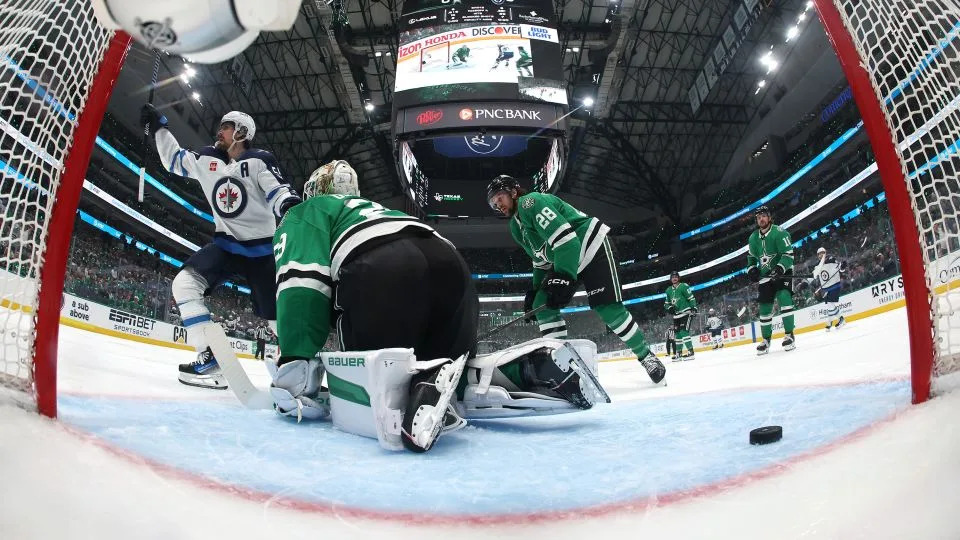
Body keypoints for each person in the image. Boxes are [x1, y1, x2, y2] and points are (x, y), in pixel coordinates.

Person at [270, 160, 479, 452]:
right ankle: (507, 377)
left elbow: (302, 282)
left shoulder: (307, 210)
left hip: (384, 263)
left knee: (379, 391)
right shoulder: (377, 210)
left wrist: (295, 369)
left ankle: (411, 392)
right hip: (452, 264)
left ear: (315, 190)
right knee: (453, 368)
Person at [142, 104, 301, 389]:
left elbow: (277, 189)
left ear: (241, 132)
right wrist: (160, 128)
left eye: (226, 126)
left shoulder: (258, 160)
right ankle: (209, 358)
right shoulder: (206, 158)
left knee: (278, 318)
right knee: (184, 284)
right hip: (226, 245)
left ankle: (297, 370)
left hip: (263, 251)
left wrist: (287, 205)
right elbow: (173, 160)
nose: (220, 130)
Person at [485, 175, 666, 384]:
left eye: (500, 198)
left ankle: (646, 356)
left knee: (607, 308)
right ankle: (562, 365)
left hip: (591, 247)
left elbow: (567, 240)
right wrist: (536, 291)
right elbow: (540, 262)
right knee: (541, 305)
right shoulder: (516, 227)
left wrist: (564, 278)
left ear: (514, 192)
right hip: (566, 258)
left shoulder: (530, 202)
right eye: (494, 203)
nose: (498, 205)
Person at [747, 205, 796, 355]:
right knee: (764, 308)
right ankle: (766, 340)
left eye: (763, 215)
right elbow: (751, 258)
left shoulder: (780, 233)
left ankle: (790, 335)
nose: (761, 218)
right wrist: (752, 269)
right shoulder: (753, 237)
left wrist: (780, 268)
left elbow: (788, 255)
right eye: (758, 217)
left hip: (782, 272)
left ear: (769, 217)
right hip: (765, 276)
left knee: (784, 297)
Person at [664, 271, 697, 359]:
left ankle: (691, 352)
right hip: (676, 316)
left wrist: (693, 308)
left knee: (683, 331)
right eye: (672, 277)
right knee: (677, 334)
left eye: (676, 276)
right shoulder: (668, 290)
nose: (674, 278)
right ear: (670, 279)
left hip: (686, 312)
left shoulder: (684, 286)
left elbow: (691, 298)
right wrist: (670, 308)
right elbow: (666, 304)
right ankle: (679, 353)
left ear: (678, 278)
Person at [813, 246, 847, 331]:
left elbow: (840, 269)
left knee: (830, 304)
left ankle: (840, 319)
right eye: (819, 254)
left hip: (835, 284)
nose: (821, 255)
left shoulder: (831, 259)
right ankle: (830, 322)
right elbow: (815, 275)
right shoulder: (817, 265)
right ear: (818, 255)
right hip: (826, 287)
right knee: (829, 305)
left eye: (822, 253)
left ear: (825, 253)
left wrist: (842, 266)